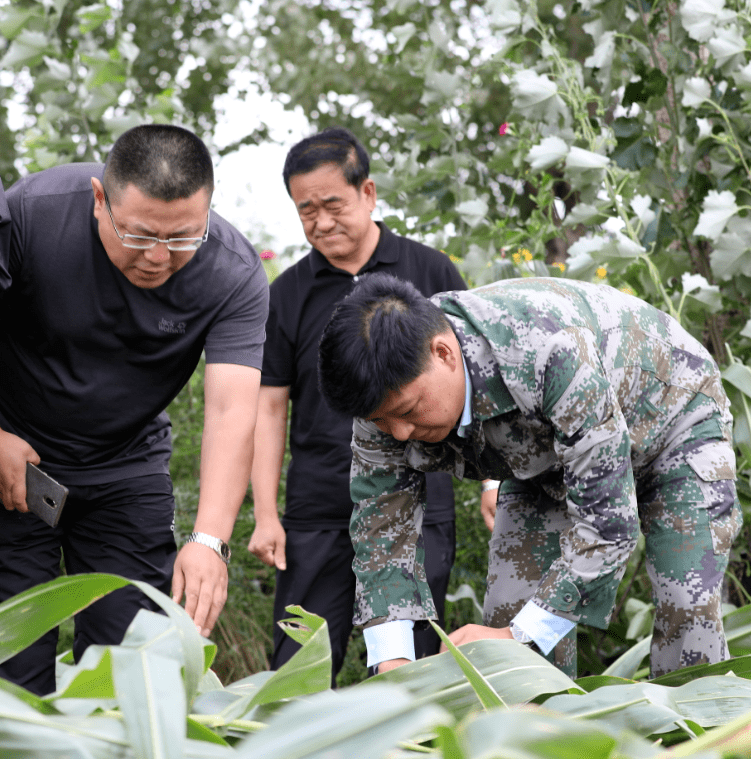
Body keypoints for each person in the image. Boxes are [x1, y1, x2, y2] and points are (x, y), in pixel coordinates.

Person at [318, 272, 742, 679]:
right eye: (382, 421)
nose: (400, 433)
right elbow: (381, 535)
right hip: (551, 460)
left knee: (688, 609)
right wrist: (394, 662)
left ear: (444, 353)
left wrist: (519, 636)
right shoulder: (382, 404)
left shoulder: (549, 350)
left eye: (409, 412)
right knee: (509, 630)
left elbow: (608, 523)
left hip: (675, 425)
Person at [0, 124, 269, 696]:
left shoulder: (234, 273)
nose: (158, 258)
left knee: (135, 666)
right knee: (13, 666)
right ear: (100, 199)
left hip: (126, 466)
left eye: (182, 239)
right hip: (14, 462)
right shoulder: (29, 215)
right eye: (141, 234)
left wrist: (210, 540)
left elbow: (231, 412)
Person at [247, 127, 468, 680]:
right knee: (300, 664)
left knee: (411, 664)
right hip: (318, 506)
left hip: (419, 499)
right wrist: (267, 514)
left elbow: (471, 375)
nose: (321, 222)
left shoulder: (430, 272)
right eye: (306, 211)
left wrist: (491, 482)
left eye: (332, 205)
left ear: (367, 193)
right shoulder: (287, 294)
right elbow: (268, 408)